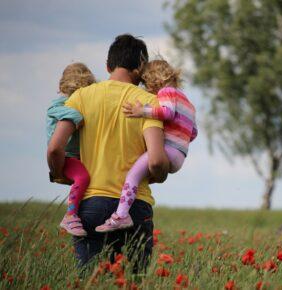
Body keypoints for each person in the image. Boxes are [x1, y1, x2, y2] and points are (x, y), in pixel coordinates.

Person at [47, 34, 170, 273]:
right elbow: (155, 160)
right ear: (141, 68)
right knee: (133, 283)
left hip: (90, 205)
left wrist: (59, 173)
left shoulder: (80, 97)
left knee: (91, 281)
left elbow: (54, 148)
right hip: (135, 207)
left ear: (107, 66)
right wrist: (161, 173)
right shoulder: (149, 103)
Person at [96, 59, 197, 232]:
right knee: (142, 175)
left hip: (168, 150)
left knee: (132, 176)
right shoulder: (188, 103)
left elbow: (167, 112)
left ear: (153, 80)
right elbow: (193, 132)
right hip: (180, 155)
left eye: (145, 83)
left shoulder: (167, 91)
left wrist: (142, 111)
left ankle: (121, 216)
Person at [46, 63, 95, 236]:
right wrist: (77, 116)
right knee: (82, 177)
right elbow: (55, 111)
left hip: (75, 155)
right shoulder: (60, 103)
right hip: (66, 156)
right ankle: (70, 215)